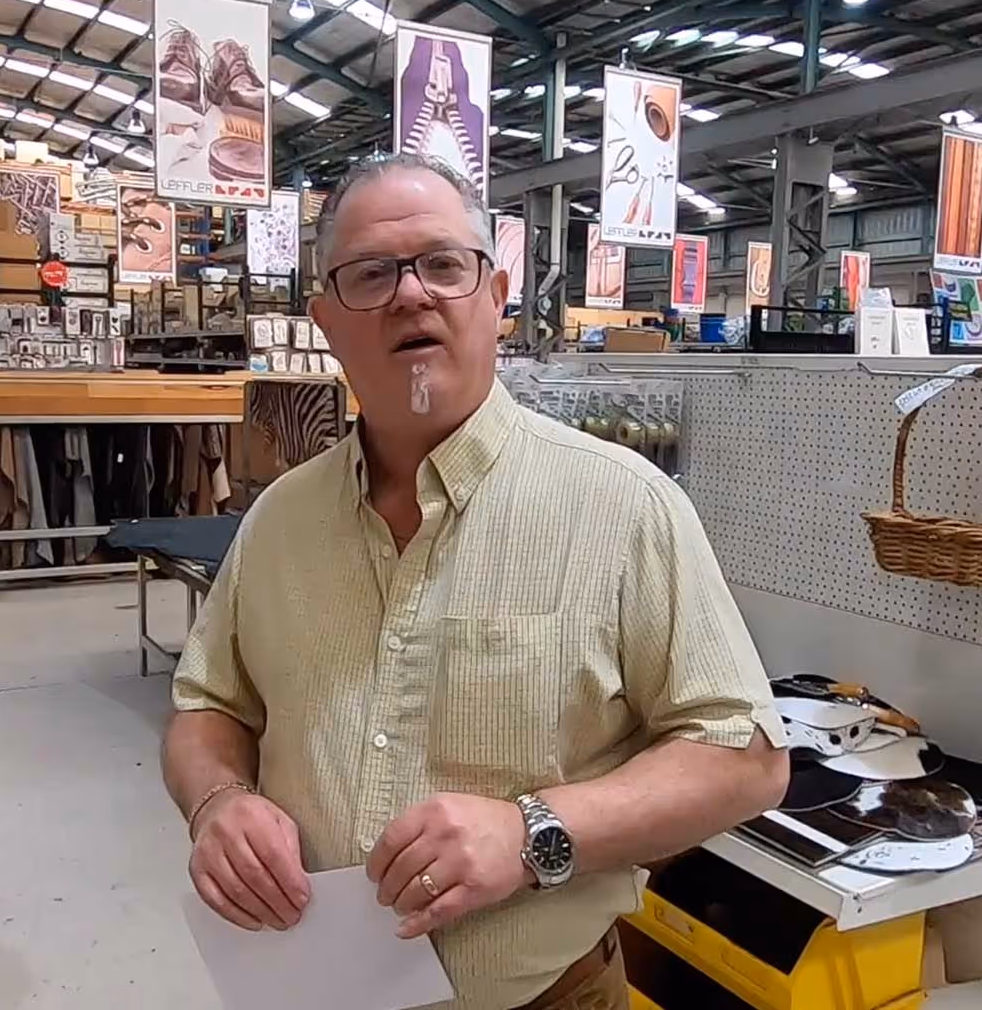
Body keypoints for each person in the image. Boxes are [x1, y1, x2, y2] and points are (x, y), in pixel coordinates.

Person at [162, 153, 789, 1010]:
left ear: (496, 298)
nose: (410, 294)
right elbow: (209, 705)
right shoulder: (279, 521)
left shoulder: (624, 506)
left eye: (444, 265)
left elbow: (744, 758)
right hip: (310, 989)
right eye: (371, 274)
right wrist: (218, 802)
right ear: (327, 323)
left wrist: (534, 833)